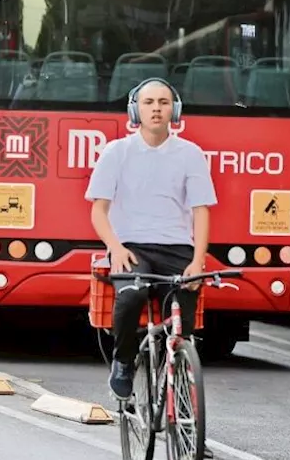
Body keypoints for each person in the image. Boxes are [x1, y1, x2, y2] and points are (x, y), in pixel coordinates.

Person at [85, 77, 217, 400]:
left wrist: (197, 262)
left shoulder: (191, 154)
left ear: (174, 110)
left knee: (182, 324)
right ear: (135, 110)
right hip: (131, 248)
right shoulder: (116, 152)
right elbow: (98, 211)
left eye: (163, 102)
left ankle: (181, 404)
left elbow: (201, 212)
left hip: (178, 249)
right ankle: (123, 361)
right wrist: (115, 248)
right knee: (131, 296)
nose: (156, 109)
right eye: (148, 103)